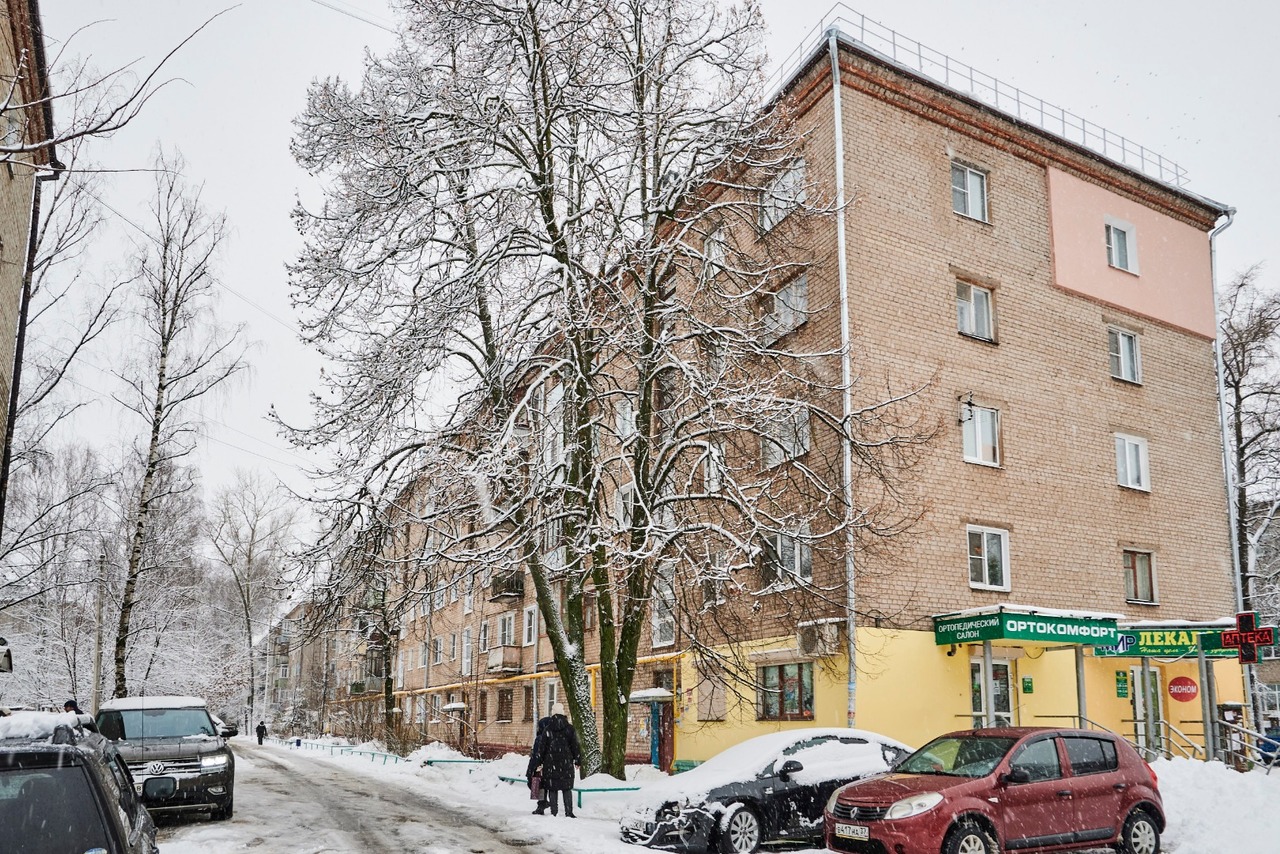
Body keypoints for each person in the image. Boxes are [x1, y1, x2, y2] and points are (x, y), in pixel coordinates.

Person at [526, 702, 581, 818]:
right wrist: (577, 760)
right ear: (563, 713)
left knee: (552, 788)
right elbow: (575, 745)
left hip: (550, 764)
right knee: (567, 788)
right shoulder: (570, 729)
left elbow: (542, 749)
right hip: (566, 764)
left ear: (553, 713)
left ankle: (554, 812)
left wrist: (539, 762)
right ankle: (569, 812)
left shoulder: (547, 729)